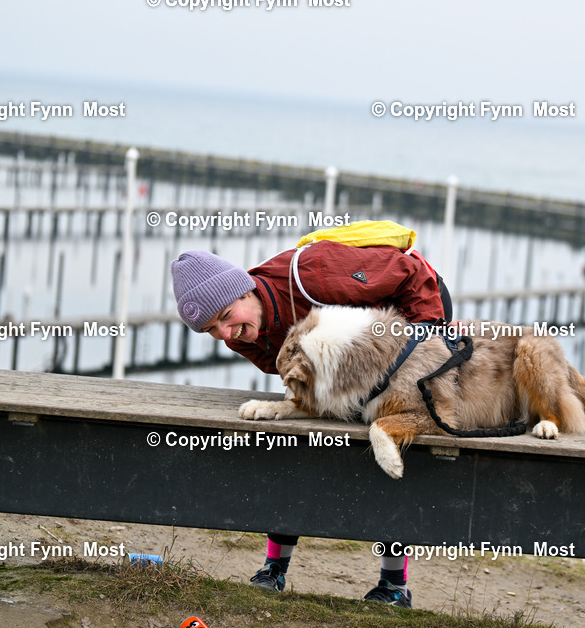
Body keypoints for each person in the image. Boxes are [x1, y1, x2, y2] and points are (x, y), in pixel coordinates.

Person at [171, 240, 452, 608]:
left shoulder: (313, 273)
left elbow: (410, 275)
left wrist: (425, 351)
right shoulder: (243, 332)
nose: (224, 335)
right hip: (345, 369)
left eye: (225, 316)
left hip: (409, 333)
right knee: (294, 446)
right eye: (211, 330)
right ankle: (274, 569)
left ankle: (393, 585)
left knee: (390, 447)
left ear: (245, 289)